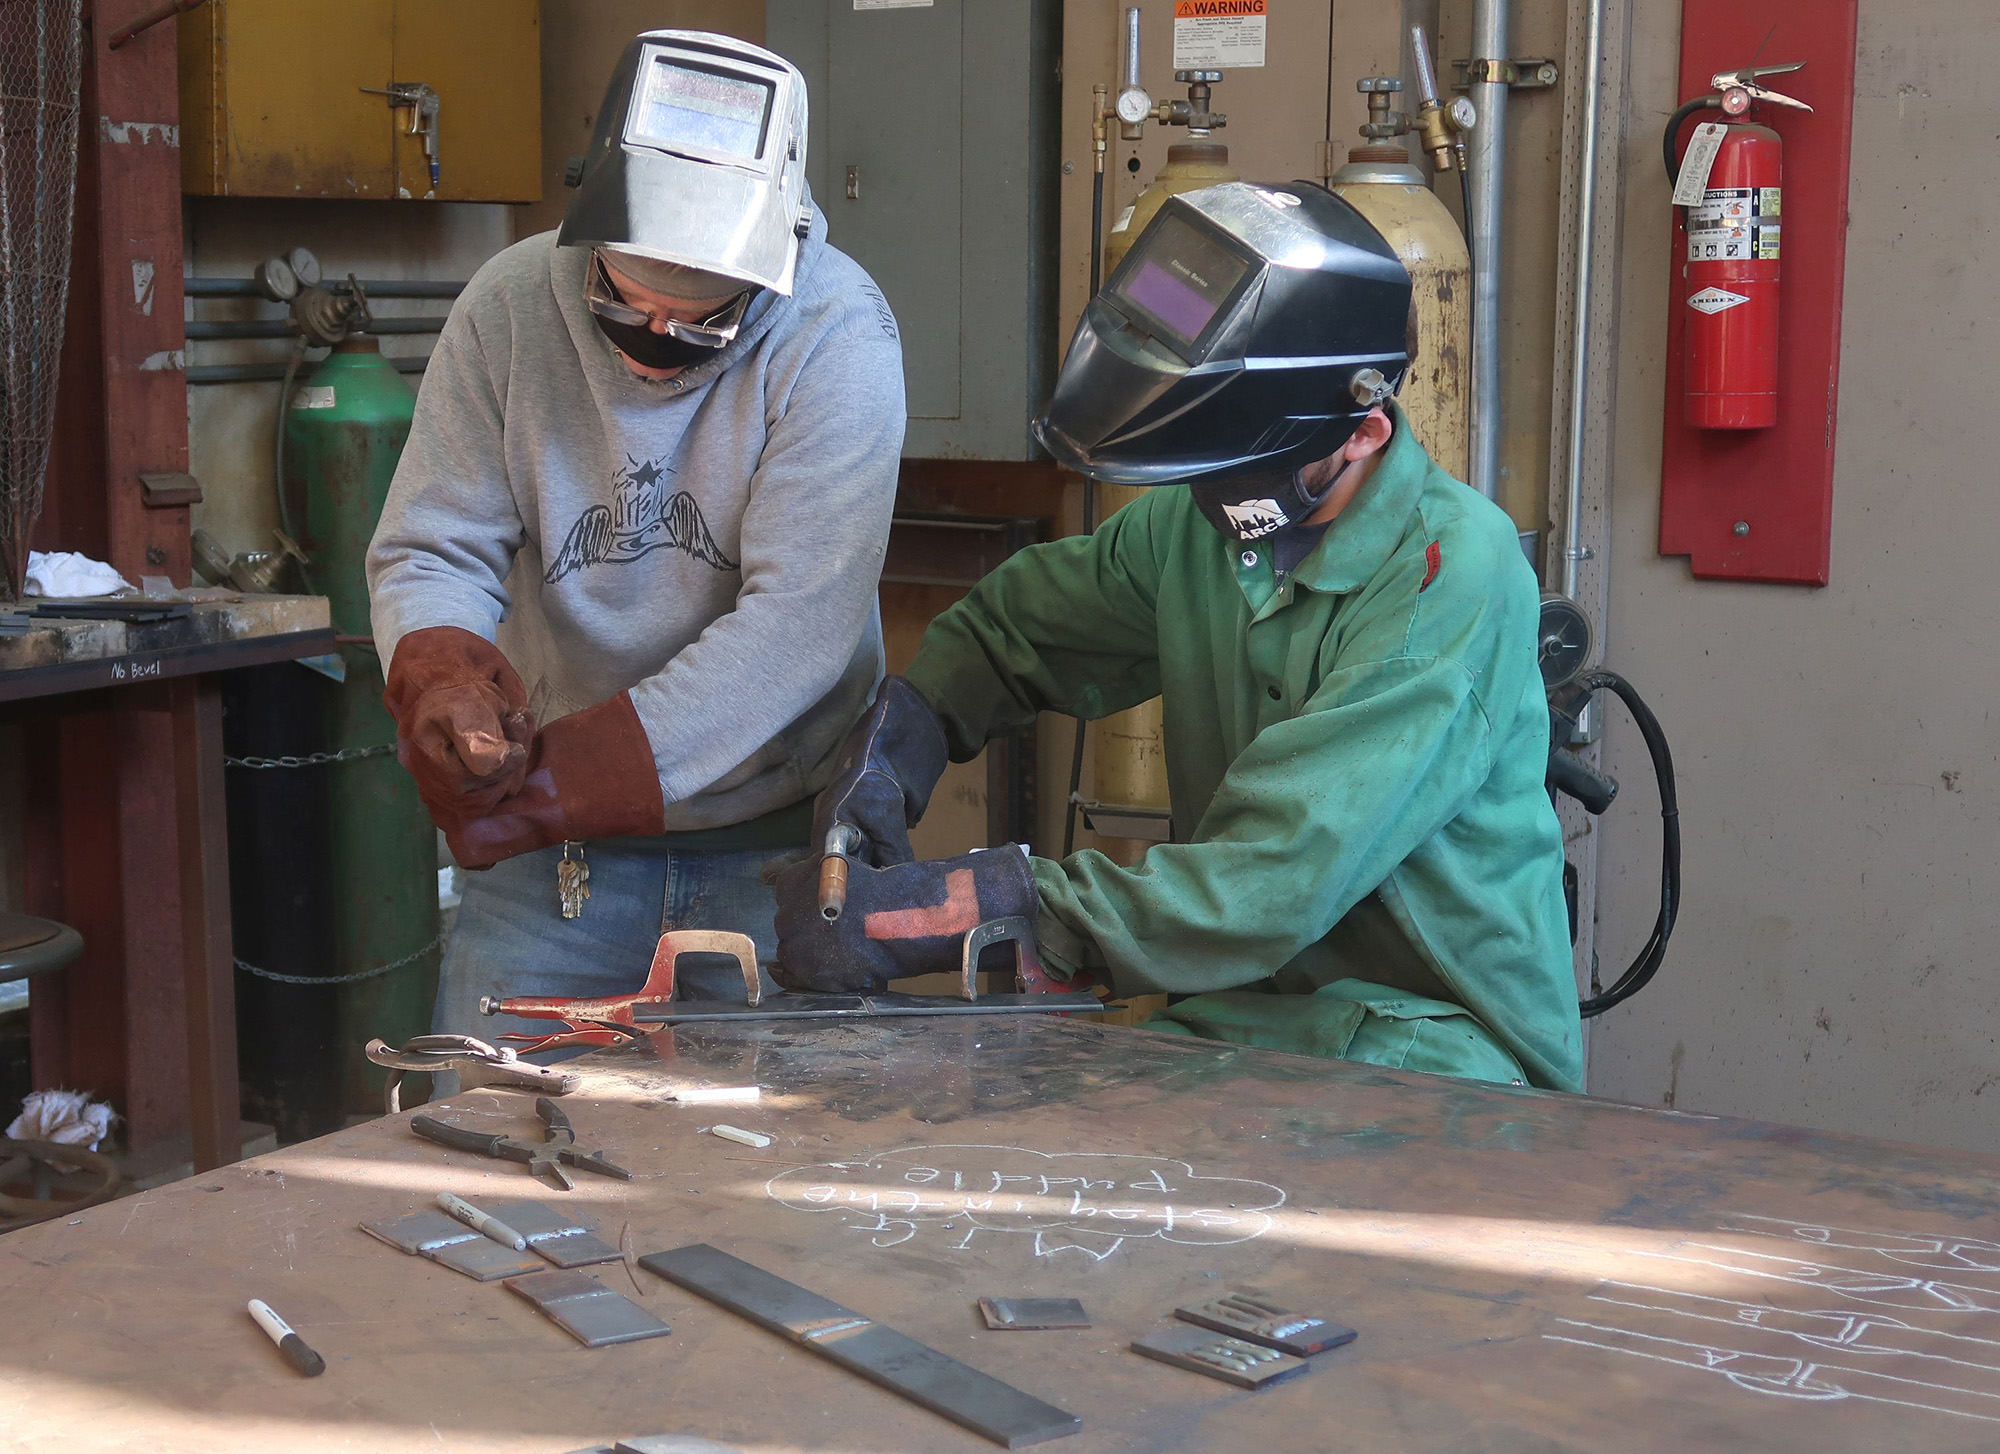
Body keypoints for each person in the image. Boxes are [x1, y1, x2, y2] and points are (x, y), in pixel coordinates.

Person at [771, 181, 1581, 1090]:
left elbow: (1270, 879)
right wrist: (897, 740)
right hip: (1251, 1010)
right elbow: (1024, 627)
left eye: (1236, 472)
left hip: (1446, 1044)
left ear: (1363, 431)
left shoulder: (1449, 574)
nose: (1211, 501)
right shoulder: (1214, 524)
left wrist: (968, 905)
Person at [366, 31, 905, 1042]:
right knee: (489, 1145)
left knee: (759, 1184)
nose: (653, 341)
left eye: (696, 324)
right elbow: (435, 545)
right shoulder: (509, 305)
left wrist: (562, 779)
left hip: (773, 855)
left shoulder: (840, 334)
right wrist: (440, 672)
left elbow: (797, 627)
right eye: (624, 301)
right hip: (550, 877)